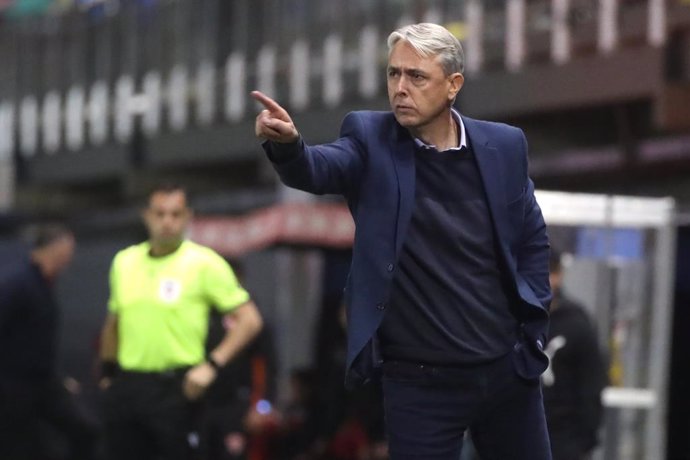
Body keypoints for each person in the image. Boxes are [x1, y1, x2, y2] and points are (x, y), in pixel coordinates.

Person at [252, 22, 552, 460]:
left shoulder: (503, 146)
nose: (400, 88)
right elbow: (318, 168)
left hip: (504, 372)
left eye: (416, 77)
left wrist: (533, 333)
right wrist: (290, 146)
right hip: (419, 381)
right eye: (394, 74)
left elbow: (531, 239)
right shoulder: (370, 138)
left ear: (453, 86)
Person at [98, 183, 263, 460]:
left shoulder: (204, 263)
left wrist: (212, 366)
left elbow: (250, 320)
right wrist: (107, 373)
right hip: (129, 386)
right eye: (160, 214)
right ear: (146, 216)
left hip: (176, 388)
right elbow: (114, 320)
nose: (167, 222)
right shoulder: (125, 262)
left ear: (188, 217)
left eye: (175, 214)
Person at [0, 223, 100, 460]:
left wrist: (58, 378)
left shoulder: (44, 286)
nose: (70, 258)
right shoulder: (18, 285)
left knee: (85, 431)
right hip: (13, 387)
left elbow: (37, 343)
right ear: (55, 249)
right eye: (68, 250)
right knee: (22, 447)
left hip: (44, 383)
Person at [542, 251, 608, 460]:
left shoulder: (576, 325)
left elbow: (591, 385)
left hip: (564, 441)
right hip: (514, 438)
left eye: (549, 272)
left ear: (559, 275)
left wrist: (583, 443)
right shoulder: (512, 320)